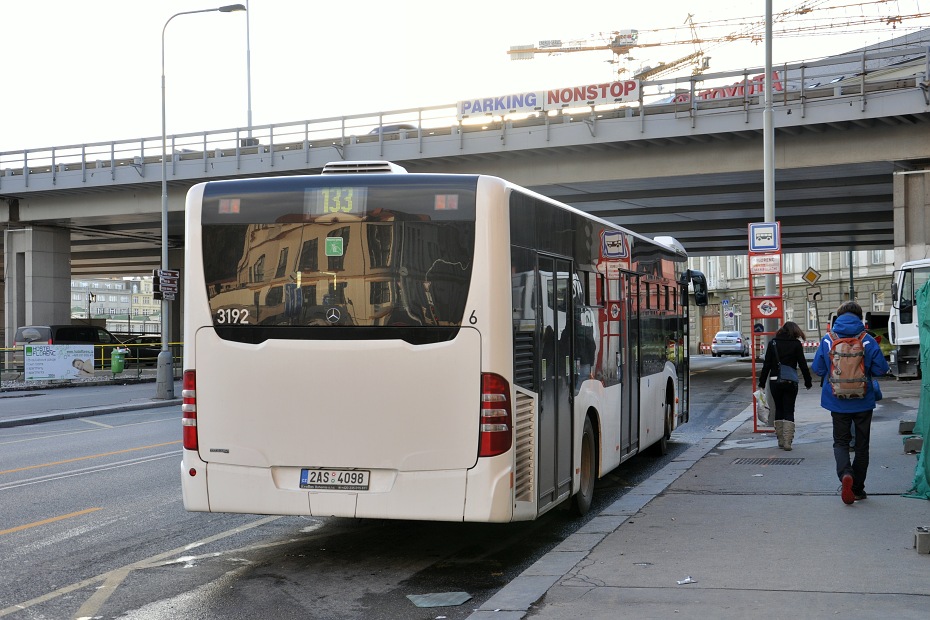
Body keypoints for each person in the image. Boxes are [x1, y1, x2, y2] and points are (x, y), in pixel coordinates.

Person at [811, 301, 889, 505]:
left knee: (841, 441)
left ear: (838, 318)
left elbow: (818, 369)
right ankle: (858, 488)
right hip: (863, 401)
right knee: (862, 445)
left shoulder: (828, 339)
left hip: (836, 400)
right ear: (860, 317)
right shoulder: (868, 340)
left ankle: (846, 473)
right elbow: (882, 369)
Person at [758, 321, 813, 451]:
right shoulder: (796, 344)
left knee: (779, 408)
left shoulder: (773, 343)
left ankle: (781, 440)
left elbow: (767, 365)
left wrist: (761, 383)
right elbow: (803, 364)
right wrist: (808, 381)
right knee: (789, 409)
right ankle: (788, 441)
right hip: (790, 381)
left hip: (774, 381)